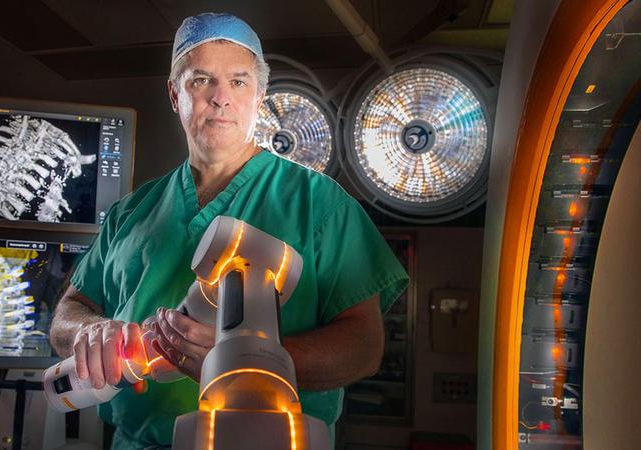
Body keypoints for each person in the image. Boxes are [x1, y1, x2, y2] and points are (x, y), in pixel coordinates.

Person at [49, 12, 409, 450]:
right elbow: (68, 312)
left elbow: (364, 346)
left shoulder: (320, 205)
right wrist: (91, 332)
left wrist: (246, 363)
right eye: (202, 80)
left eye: (239, 82)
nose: (221, 98)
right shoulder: (131, 212)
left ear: (259, 96)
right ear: (174, 93)